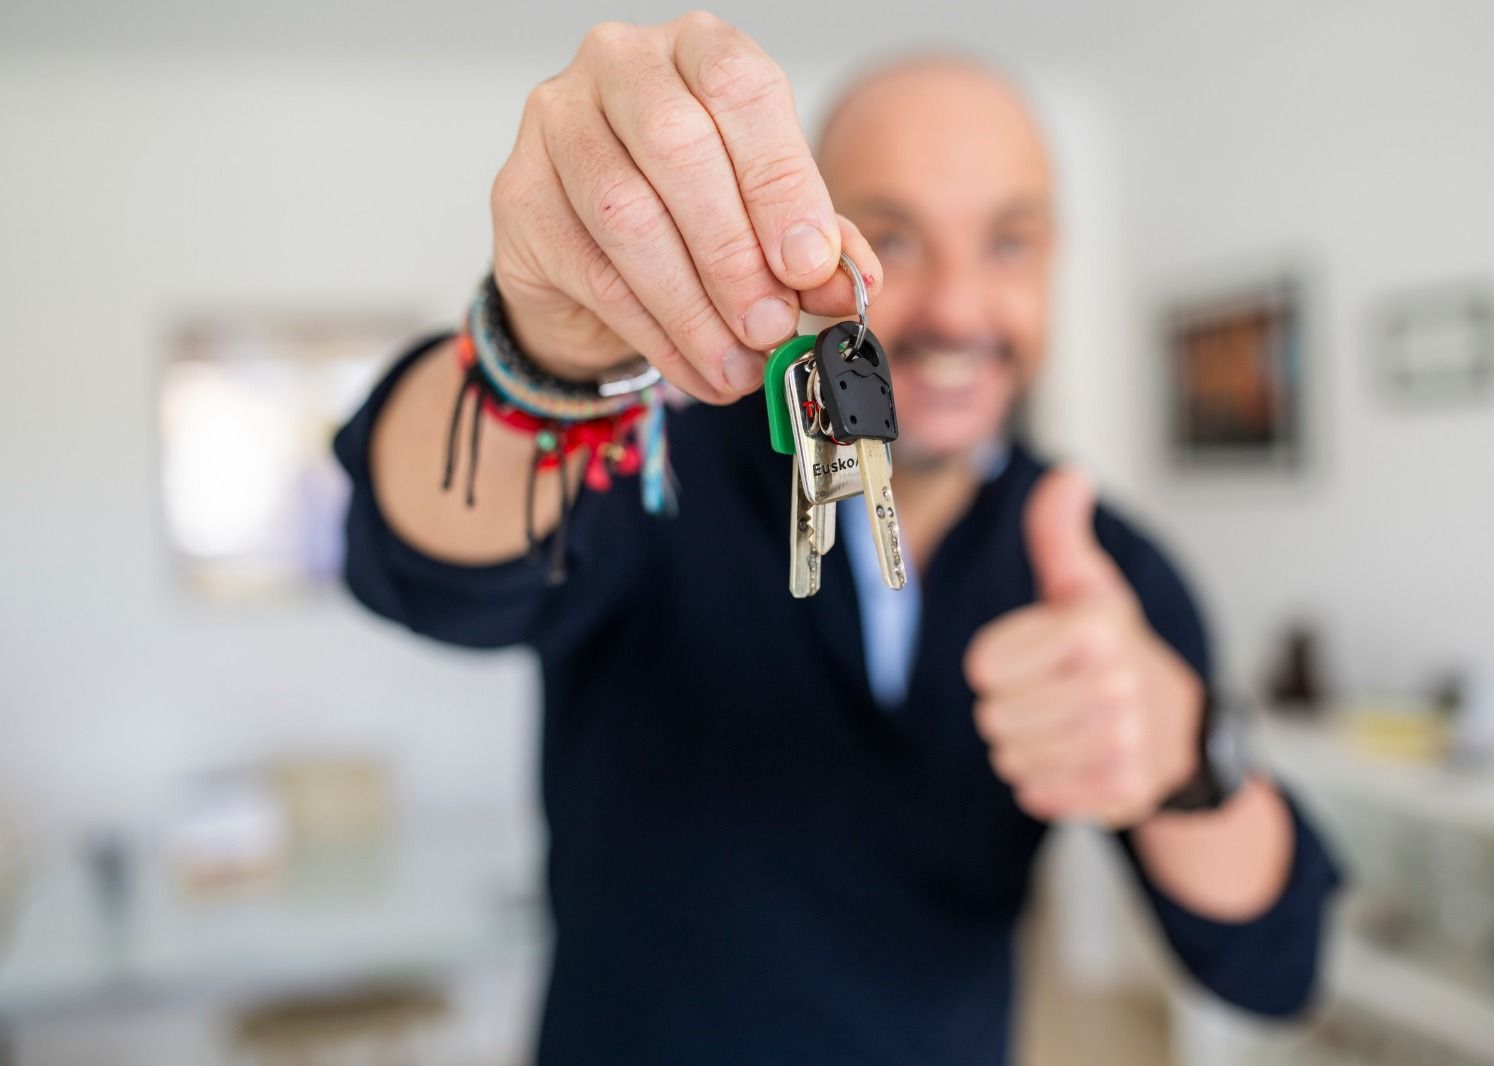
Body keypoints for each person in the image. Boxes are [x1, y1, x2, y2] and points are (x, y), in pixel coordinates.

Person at [335, 13, 1340, 1065]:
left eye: (1007, 241)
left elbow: (1273, 961)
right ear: (804, 243)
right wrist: (542, 355)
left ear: (1054, 260)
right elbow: (427, 569)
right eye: (892, 240)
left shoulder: (1102, 565)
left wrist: (1188, 755)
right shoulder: (657, 455)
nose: (955, 308)